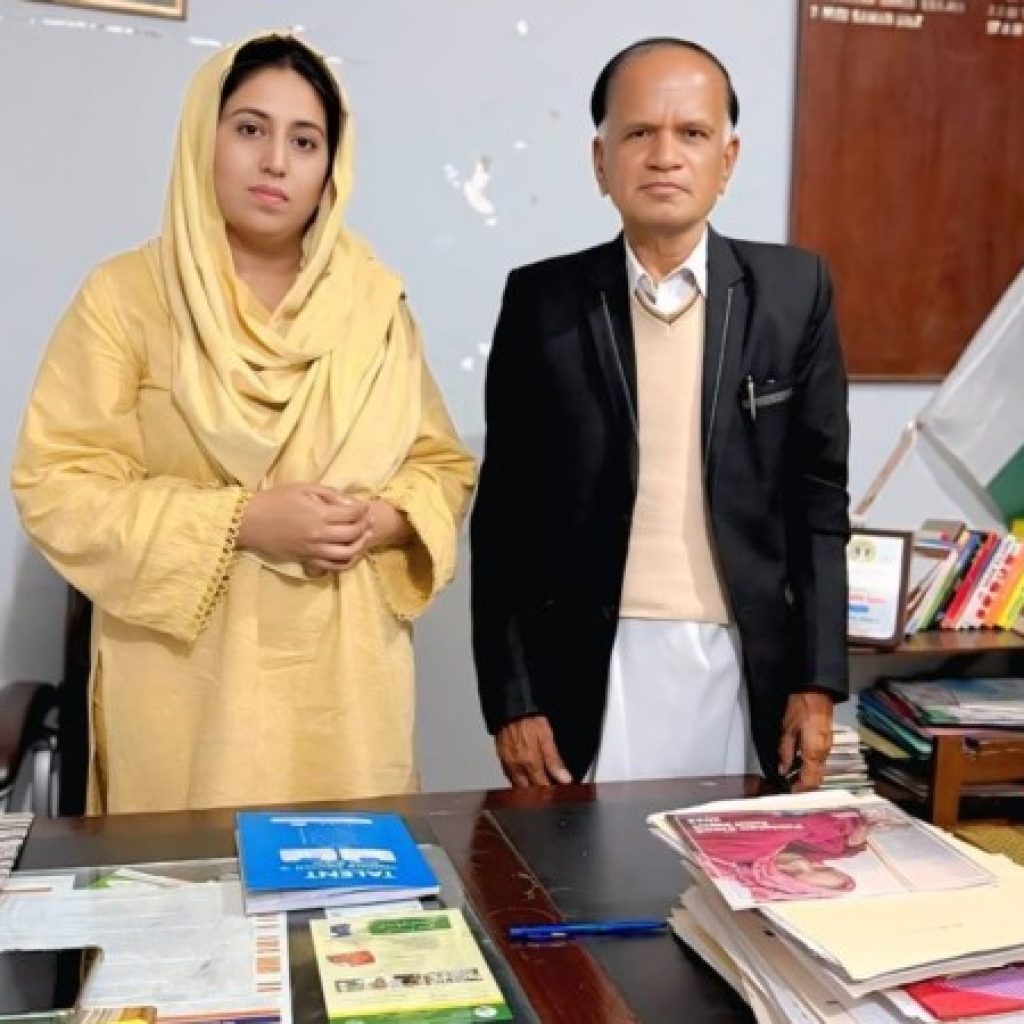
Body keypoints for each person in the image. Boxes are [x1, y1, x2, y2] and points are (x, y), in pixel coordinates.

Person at [11, 33, 475, 815]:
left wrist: (382, 520)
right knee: (188, 881)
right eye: (251, 129)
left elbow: (441, 467)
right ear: (205, 136)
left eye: (305, 141)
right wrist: (244, 521)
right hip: (185, 695)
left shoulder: (373, 305)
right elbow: (58, 484)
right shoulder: (126, 298)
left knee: (344, 884)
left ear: (332, 165)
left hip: (346, 695)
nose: (276, 162)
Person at [471, 38, 850, 792]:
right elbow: (504, 517)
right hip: (588, 668)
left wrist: (817, 681)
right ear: (601, 160)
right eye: (639, 132)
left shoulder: (793, 291)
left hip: (747, 667)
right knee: (587, 866)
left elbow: (818, 500)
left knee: (737, 864)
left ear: (727, 160)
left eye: (693, 133)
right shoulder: (542, 301)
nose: (665, 155)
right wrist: (512, 700)